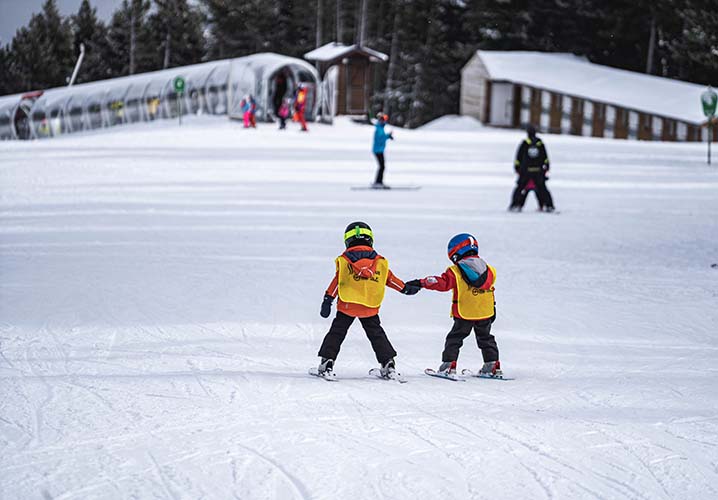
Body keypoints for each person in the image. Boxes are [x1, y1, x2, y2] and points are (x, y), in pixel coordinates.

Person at [316, 221, 421, 378]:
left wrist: (328, 299)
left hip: (347, 305)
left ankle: (327, 363)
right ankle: (388, 364)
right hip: (370, 307)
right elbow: (391, 280)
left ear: (347, 240)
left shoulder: (345, 261)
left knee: (337, 333)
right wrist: (405, 288)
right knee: (376, 334)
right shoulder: (379, 262)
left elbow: (338, 282)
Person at [406, 233, 502, 378]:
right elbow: (490, 290)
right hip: (485, 312)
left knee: (455, 339)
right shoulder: (489, 270)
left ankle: (448, 365)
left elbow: (442, 284)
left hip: (465, 312)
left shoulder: (455, 271)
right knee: (486, 338)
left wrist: (421, 282)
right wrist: (493, 307)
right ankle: (492, 365)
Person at [509, 125, 554, 212]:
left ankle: (516, 205)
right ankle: (548, 205)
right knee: (542, 189)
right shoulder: (540, 143)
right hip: (538, 171)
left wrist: (517, 168)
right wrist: (546, 167)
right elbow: (545, 157)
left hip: (526, 171)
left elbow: (518, 157)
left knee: (520, 189)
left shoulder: (524, 144)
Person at [372, 113, 394, 187]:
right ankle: (378, 182)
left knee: (382, 166)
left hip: (379, 150)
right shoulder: (379, 129)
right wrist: (388, 136)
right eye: (383, 120)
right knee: (382, 166)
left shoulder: (380, 128)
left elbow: (382, 137)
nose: (385, 121)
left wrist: (388, 136)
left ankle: (378, 182)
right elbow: (380, 139)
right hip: (378, 150)